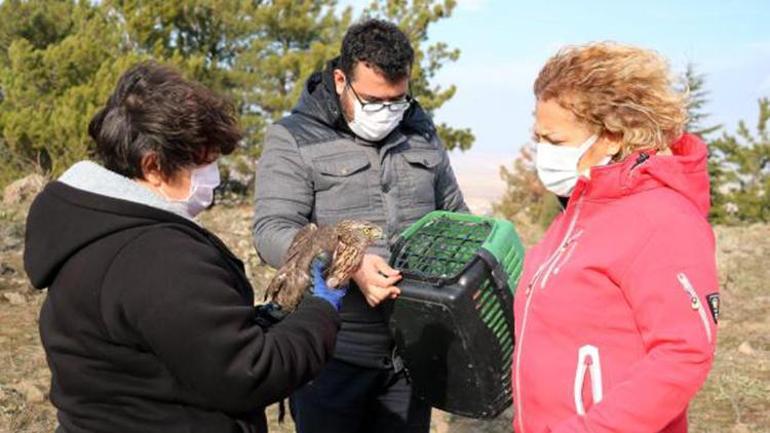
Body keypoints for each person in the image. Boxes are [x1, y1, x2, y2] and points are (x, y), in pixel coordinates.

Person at [23, 61, 345, 433]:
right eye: (203, 163)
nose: (214, 176)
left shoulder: (91, 227)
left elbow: (175, 337)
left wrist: (264, 319)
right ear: (153, 166)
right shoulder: (158, 256)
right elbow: (251, 372)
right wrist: (321, 309)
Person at [252, 19, 468, 433]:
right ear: (340, 80)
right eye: (373, 101)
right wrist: (349, 263)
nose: (386, 113)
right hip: (331, 354)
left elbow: (456, 215)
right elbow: (272, 232)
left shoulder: (420, 133)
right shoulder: (294, 138)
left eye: (397, 101)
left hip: (410, 356)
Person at [511, 42, 719, 433]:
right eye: (538, 137)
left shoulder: (662, 220)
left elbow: (683, 354)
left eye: (555, 141)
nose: (542, 153)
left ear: (611, 136)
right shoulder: (580, 208)